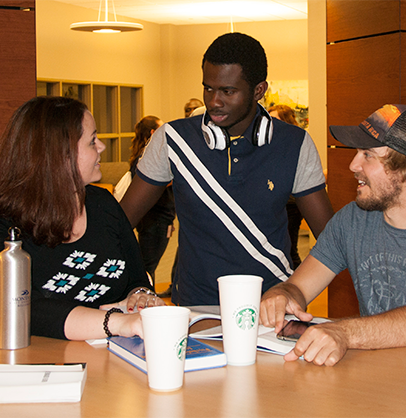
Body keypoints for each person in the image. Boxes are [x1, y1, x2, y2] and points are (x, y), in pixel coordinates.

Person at [260, 104, 406, 380]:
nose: (353, 165)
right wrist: (282, 295)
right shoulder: (352, 220)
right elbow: (298, 287)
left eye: (368, 155)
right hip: (376, 380)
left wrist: (343, 331)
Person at [120, 32, 334, 306]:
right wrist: (138, 285)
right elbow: (119, 225)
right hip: (195, 309)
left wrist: (294, 290)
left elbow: (330, 241)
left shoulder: (295, 144)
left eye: (228, 91)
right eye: (208, 88)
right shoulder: (172, 139)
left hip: (270, 309)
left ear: (258, 90)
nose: (213, 101)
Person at [0, 96, 164, 341]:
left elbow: (135, 278)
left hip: (109, 359)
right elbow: (19, 309)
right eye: (92, 141)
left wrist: (141, 295)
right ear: (59, 154)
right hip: (31, 364)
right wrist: (119, 322)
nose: (101, 147)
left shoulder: (103, 204)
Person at [129, 116, 176, 282]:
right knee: (147, 267)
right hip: (153, 220)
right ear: (153, 133)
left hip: (156, 220)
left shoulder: (145, 156)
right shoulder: (147, 159)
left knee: (148, 266)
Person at [268, 104, 304, 267]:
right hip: (274, 204)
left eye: (275, 120)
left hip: (290, 205)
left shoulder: (294, 144)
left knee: (289, 251)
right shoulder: (268, 144)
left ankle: (298, 289)